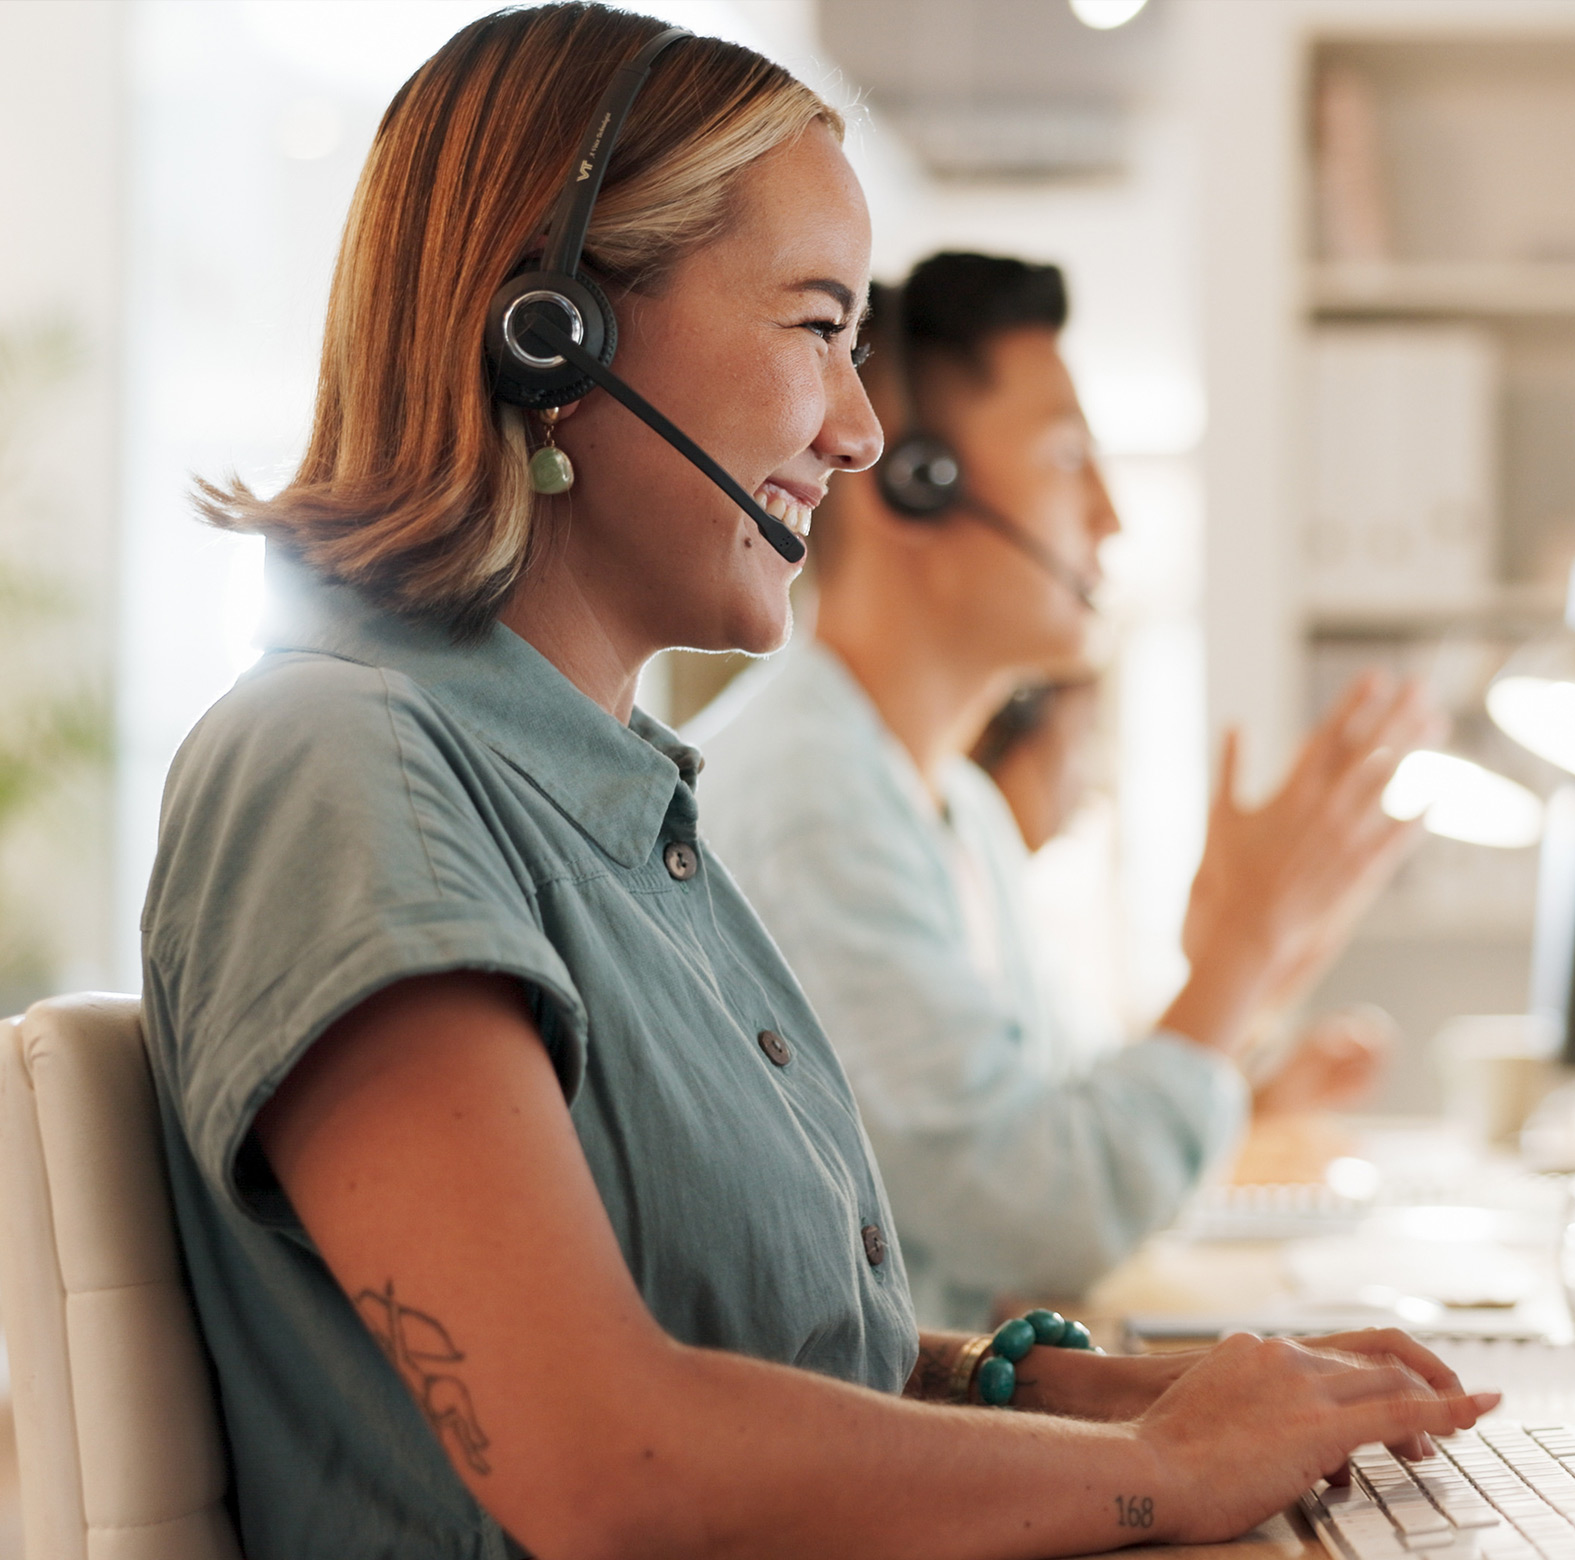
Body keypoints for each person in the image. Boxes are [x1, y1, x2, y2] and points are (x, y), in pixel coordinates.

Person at [141, 9, 1492, 1555]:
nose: (858, 432)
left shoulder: (614, 807)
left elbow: (759, 1353)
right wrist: (1164, 1478)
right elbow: (605, 1460)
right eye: (815, 329)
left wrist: (1088, 1396)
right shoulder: (339, 766)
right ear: (552, 332)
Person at [701, 252, 1437, 1328]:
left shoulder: (952, 805)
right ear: (916, 481)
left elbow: (1057, 1118)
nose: (1110, 516)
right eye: (1066, 460)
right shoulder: (813, 803)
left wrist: (1254, 982)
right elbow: (1046, 1208)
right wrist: (1238, 956)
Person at [970, 673, 1392, 1118]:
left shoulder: (1012, 921)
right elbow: (1095, 1149)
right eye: (1080, 743)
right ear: (1010, 743)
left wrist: (1263, 1093)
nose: (1087, 785)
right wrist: (1244, 943)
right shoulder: (969, 917)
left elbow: (1108, 1121)